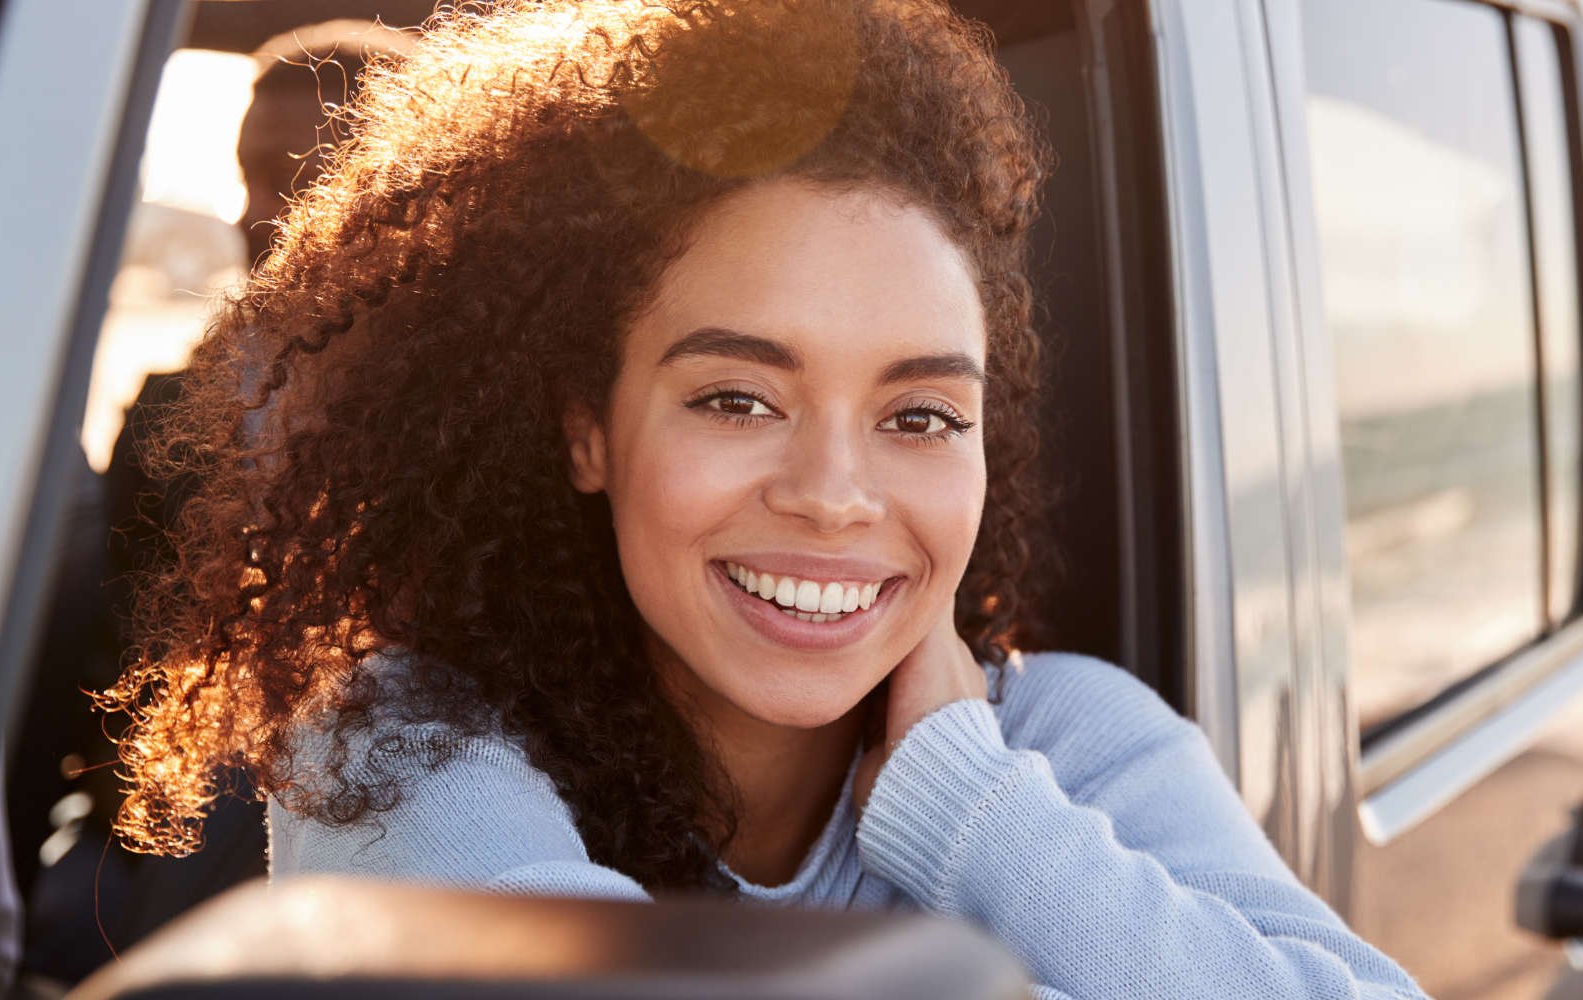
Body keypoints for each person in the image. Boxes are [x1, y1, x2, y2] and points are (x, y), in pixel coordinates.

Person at [98, 1, 1428, 995]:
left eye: (919, 417)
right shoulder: (398, 745)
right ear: (586, 430)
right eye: (737, 398)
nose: (836, 496)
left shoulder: (1063, 742)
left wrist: (969, 803)